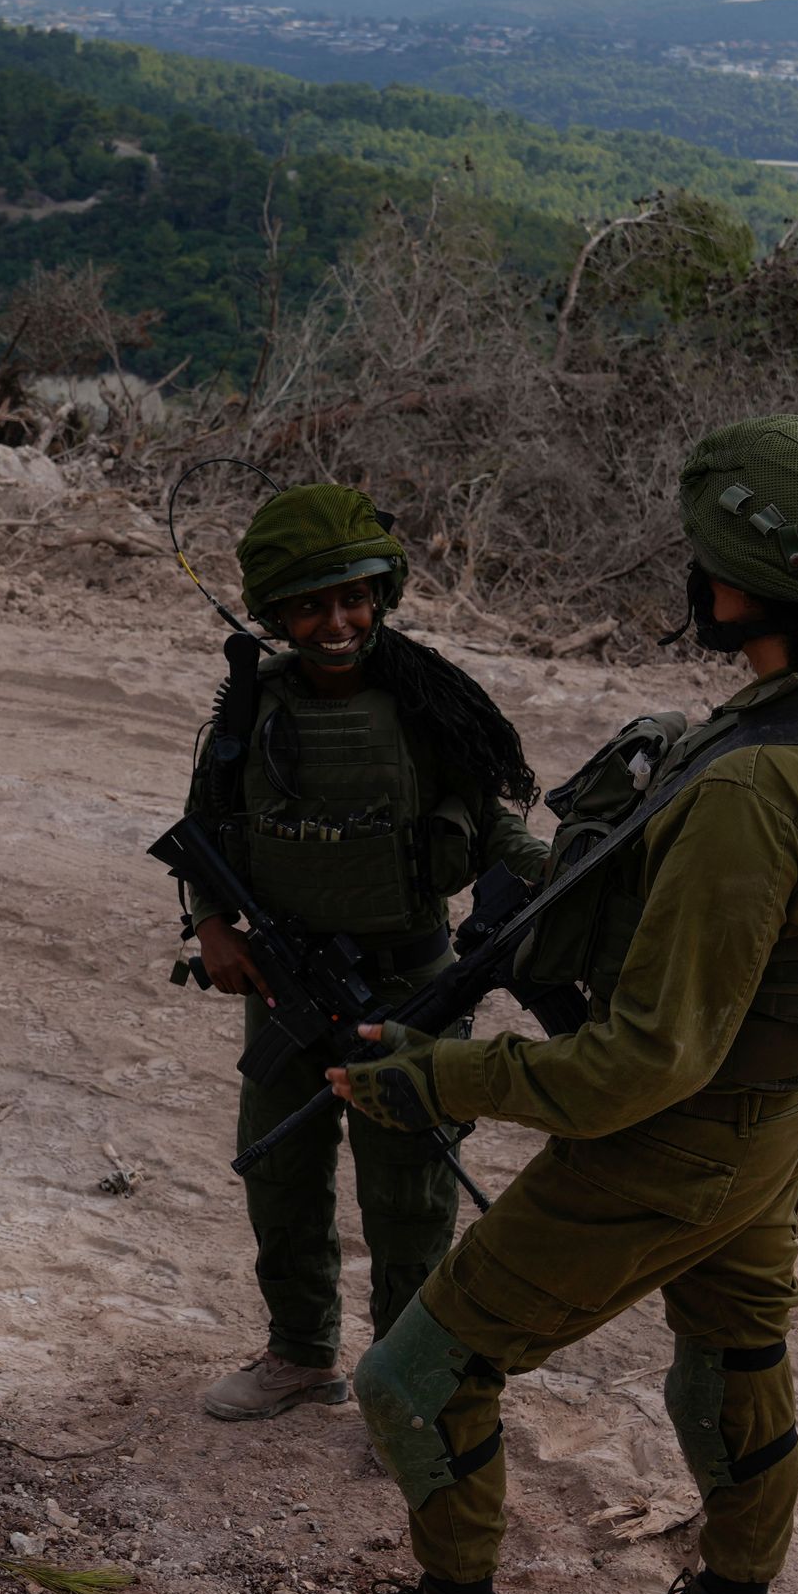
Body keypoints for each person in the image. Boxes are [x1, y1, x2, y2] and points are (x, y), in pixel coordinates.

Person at [295, 418, 798, 1594]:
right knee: (733, 1352)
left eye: (709, 554)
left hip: (680, 1136)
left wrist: (438, 1076)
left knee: (416, 1375)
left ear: (751, 580)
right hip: (781, 1112)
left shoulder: (762, 786)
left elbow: (638, 1068)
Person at [176, 485, 545, 1422]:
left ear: (381, 593)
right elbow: (206, 829)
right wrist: (213, 927)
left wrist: (552, 873)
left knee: (410, 1191)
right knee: (282, 1176)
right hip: (284, 985)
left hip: (412, 982)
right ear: (275, 613)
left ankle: (403, 1378)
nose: (334, 622)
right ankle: (300, 1354)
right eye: (308, 604)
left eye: (352, 598)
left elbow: (495, 820)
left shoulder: (426, 698)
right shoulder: (247, 710)